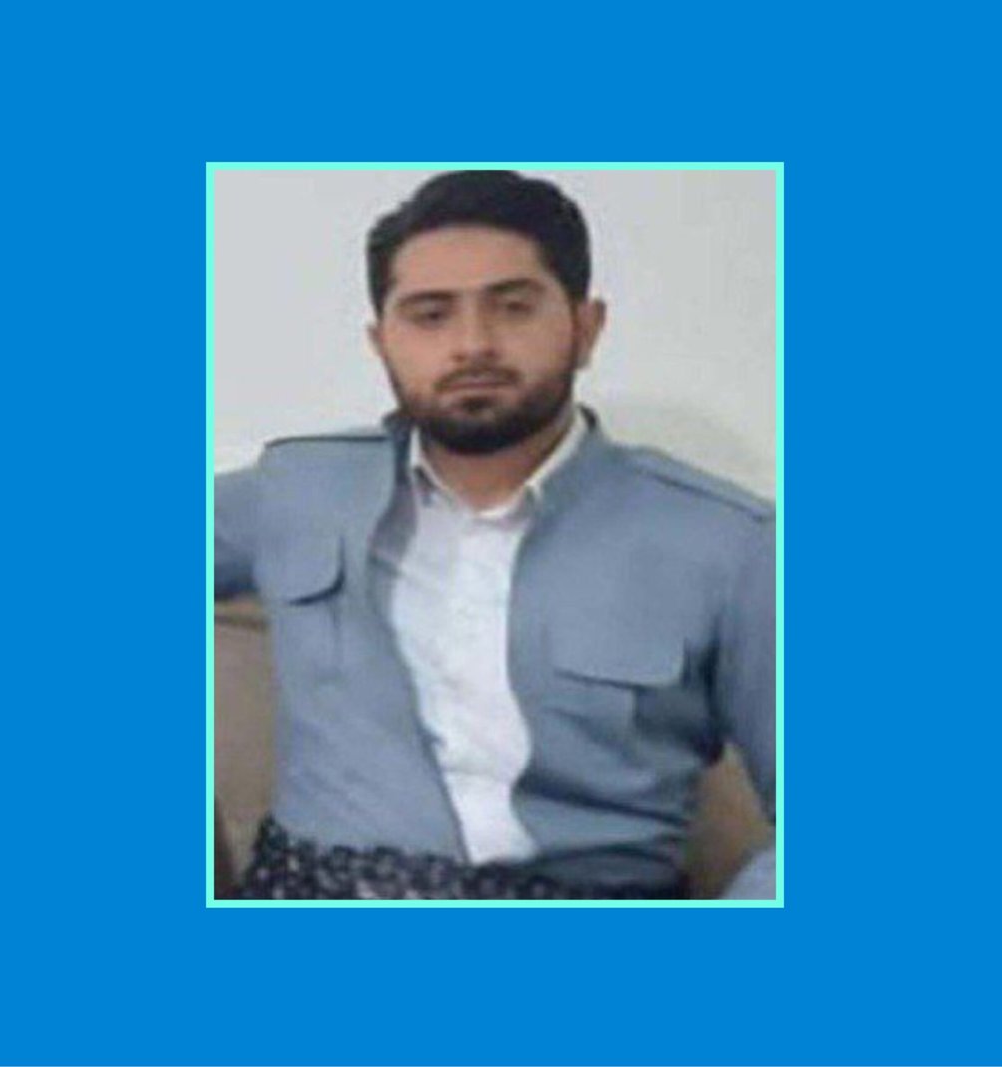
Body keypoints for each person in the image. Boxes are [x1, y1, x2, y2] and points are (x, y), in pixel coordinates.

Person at [214, 170, 775, 899]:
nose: (472, 344)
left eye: (513, 308)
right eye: (430, 315)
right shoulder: (297, 490)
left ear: (585, 328)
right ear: (382, 342)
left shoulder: (727, 543)